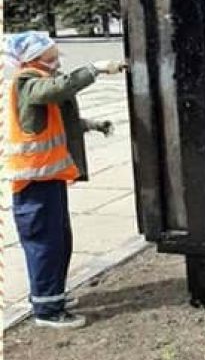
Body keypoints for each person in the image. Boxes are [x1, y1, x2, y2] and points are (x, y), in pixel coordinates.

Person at [5, 31, 126, 329]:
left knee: (59, 240)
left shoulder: (38, 80)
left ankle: (54, 294)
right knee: (45, 244)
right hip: (33, 182)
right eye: (51, 54)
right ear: (34, 58)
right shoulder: (27, 81)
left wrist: (93, 125)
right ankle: (47, 310)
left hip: (50, 179)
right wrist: (94, 69)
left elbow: (57, 117)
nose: (56, 59)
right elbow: (55, 90)